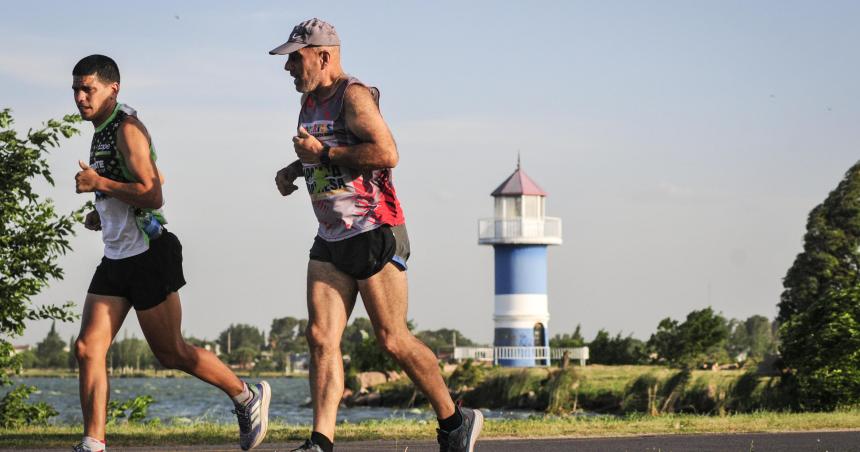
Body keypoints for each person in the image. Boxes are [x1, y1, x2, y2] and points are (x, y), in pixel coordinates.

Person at [270, 19, 483, 452]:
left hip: (374, 229)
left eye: (296, 57)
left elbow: (387, 153)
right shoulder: (310, 102)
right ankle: (320, 441)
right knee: (320, 337)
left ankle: (455, 420)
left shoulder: (355, 96)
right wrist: (295, 169)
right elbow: (322, 155)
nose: (288, 66)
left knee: (392, 338)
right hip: (330, 235)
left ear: (323, 54)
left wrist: (323, 153)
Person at [71, 54, 270, 452]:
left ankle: (246, 395)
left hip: (147, 255)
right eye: (76, 89)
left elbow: (154, 191)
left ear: (113, 88)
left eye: (88, 89)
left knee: (171, 352)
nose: (79, 97)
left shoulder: (127, 130)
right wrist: (102, 213)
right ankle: (94, 442)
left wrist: (100, 184)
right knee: (87, 348)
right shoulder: (103, 130)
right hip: (116, 257)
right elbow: (149, 178)